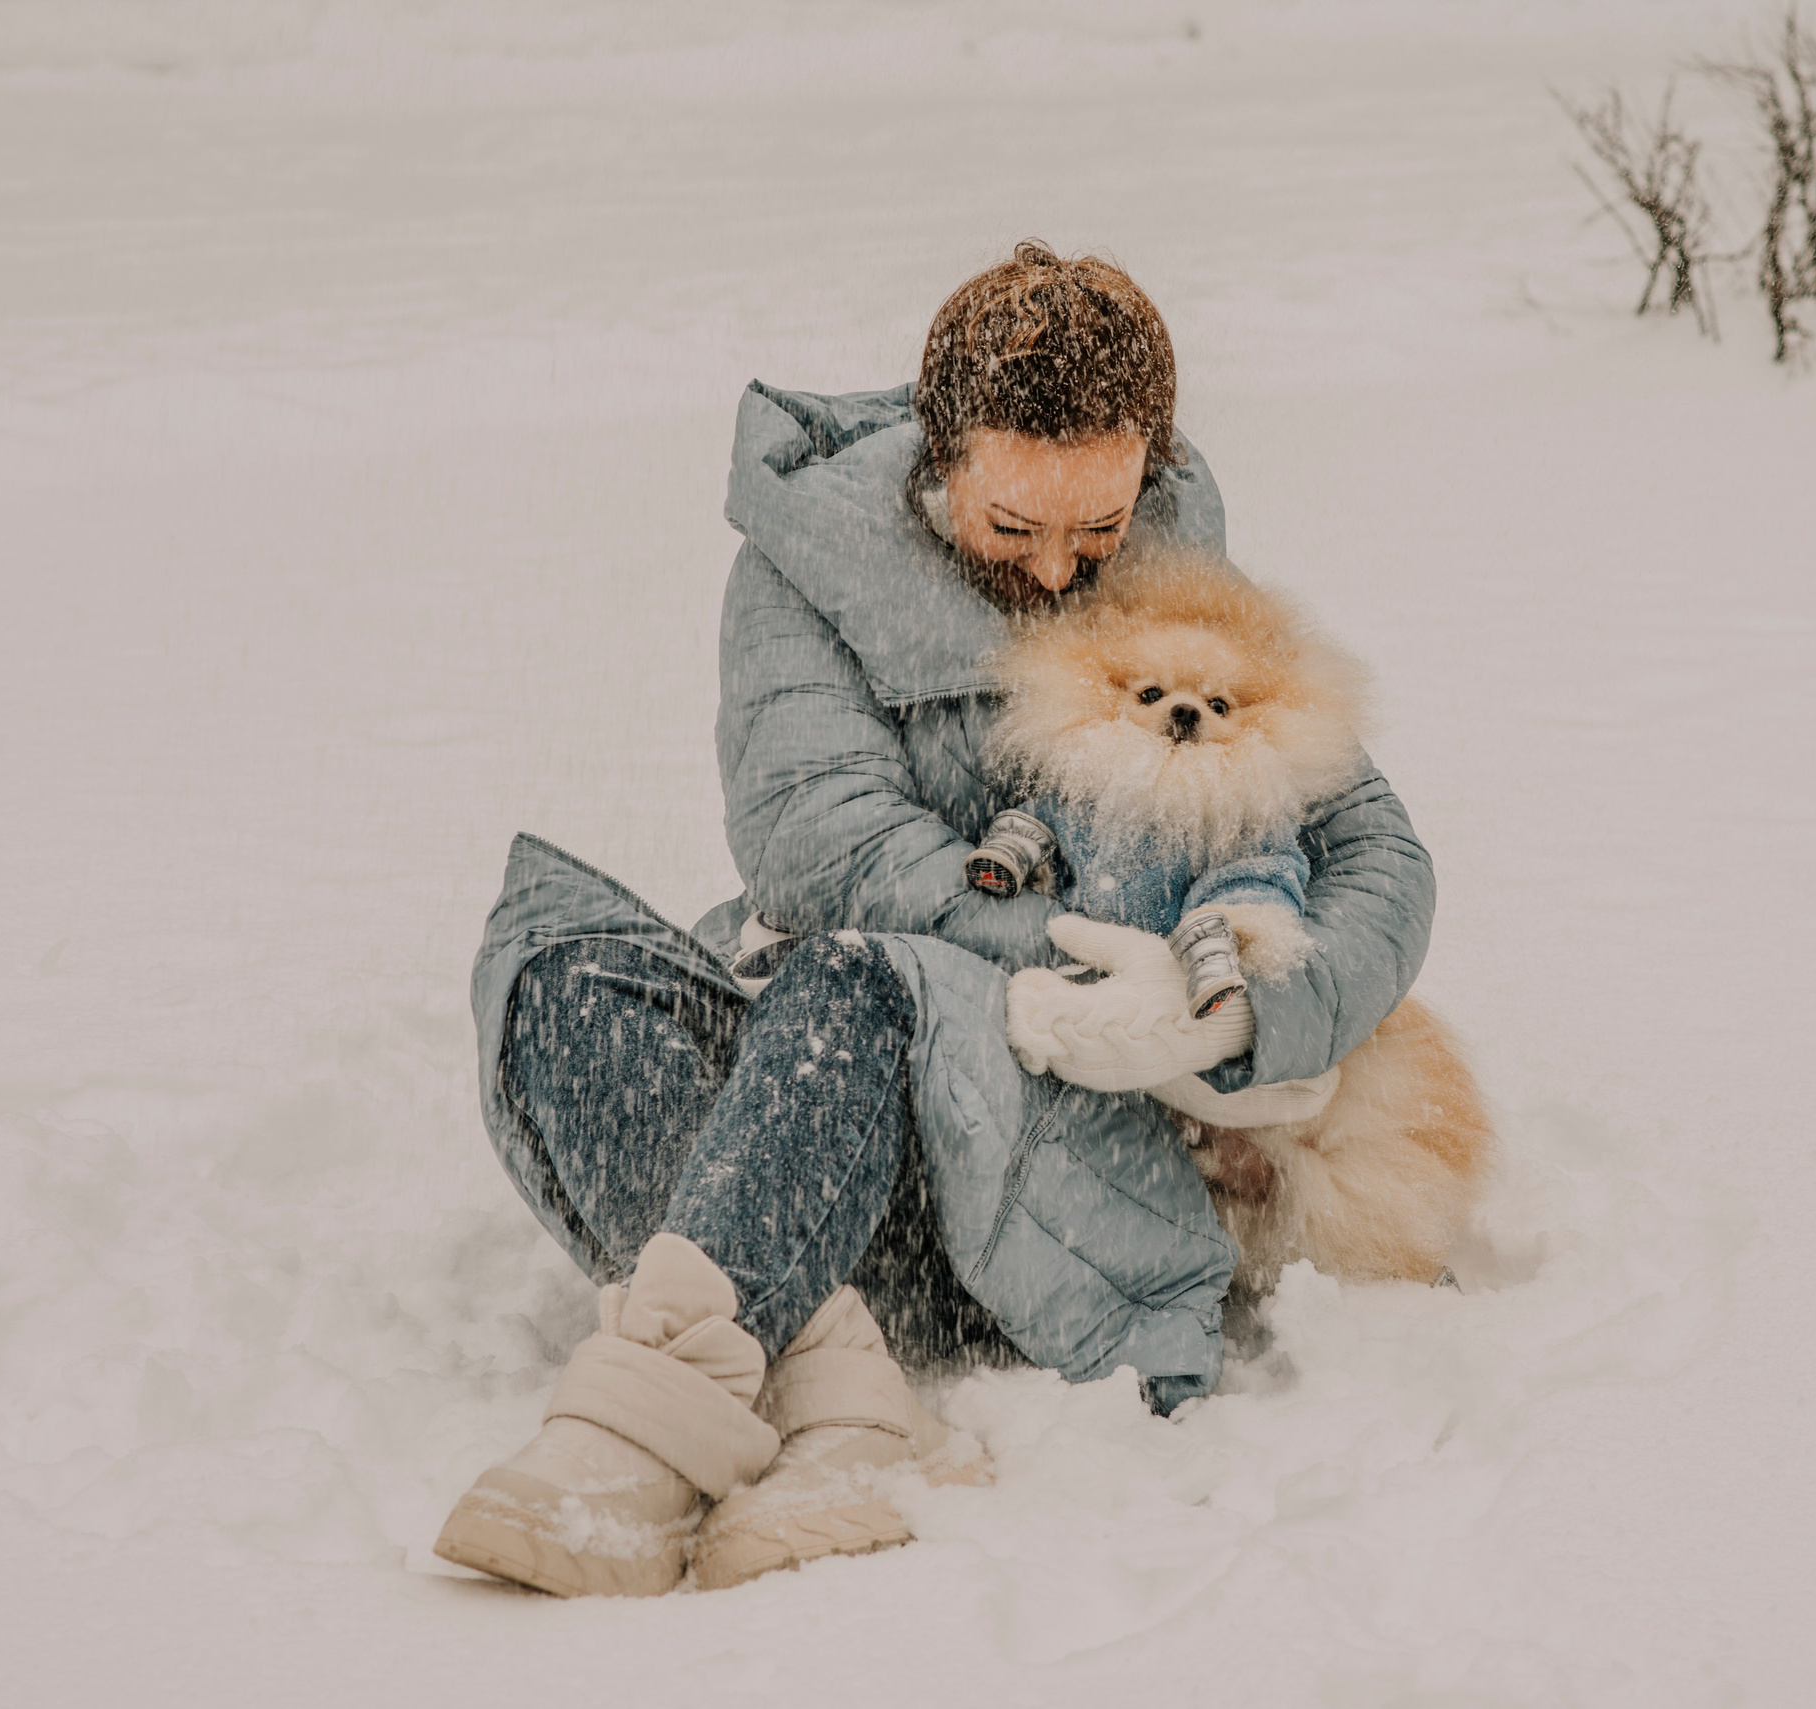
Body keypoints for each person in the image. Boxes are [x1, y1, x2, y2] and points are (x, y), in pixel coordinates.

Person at [432, 242, 1436, 1598]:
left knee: (845, 990)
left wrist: (1216, 1017)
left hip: (1040, 1134)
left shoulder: (1182, 580)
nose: (1063, 570)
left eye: (1101, 528)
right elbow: (822, 845)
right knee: (561, 976)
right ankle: (840, 1394)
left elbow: (1376, 851)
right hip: (854, 1062)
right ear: (936, 461)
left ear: (1150, 468)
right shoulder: (807, 572)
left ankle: (628, 1443)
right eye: (1013, 528)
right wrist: (1066, 967)